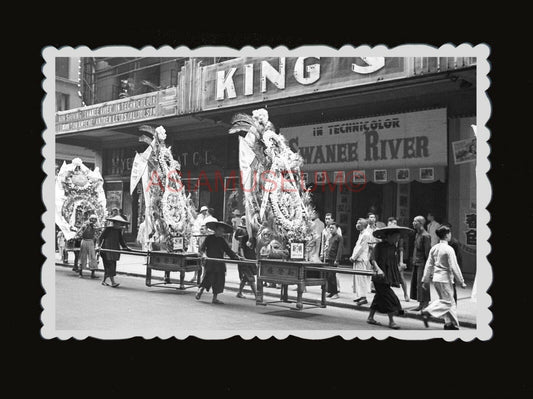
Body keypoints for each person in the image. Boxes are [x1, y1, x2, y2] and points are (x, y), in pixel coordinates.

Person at [421, 225, 467, 330]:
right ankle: (428, 311)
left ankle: (449, 324)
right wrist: (461, 281)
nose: (450, 235)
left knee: (448, 302)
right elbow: (454, 266)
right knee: (448, 302)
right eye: (449, 233)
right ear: (447, 235)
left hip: (437, 279)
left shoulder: (434, 248)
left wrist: (425, 279)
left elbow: (429, 265)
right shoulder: (449, 249)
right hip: (445, 279)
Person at [366, 225, 412, 329]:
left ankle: (370, 317)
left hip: (388, 276)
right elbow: (372, 259)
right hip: (379, 277)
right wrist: (378, 269)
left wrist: (398, 270)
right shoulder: (379, 246)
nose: (397, 239)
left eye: (398, 237)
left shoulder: (393, 247)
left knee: (379, 297)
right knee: (390, 297)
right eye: (395, 237)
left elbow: (392, 262)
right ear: (389, 236)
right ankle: (392, 321)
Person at [195, 221, 242, 304]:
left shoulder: (222, 240)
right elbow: (202, 249)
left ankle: (215, 298)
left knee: (219, 280)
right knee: (208, 277)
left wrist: (236, 257)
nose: (221, 232)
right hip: (210, 261)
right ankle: (200, 290)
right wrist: (204, 255)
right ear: (216, 230)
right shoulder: (209, 238)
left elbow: (228, 251)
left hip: (219, 263)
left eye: (222, 231)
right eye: (220, 230)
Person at [97, 215, 132, 287]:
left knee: (110, 265)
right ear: (114, 223)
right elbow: (100, 238)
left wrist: (126, 247)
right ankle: (113, 282)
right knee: (110, 266)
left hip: (114, 250)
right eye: (118, 224)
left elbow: (121, 240)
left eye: (120, 224)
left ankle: (104, 281)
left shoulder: (118, 231)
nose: (119, 225)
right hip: (106, 250)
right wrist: (99, 246)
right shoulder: (108, 229)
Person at [410, 216, 432, 311]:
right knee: (417, 284)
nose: (413, 223)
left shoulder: (425, 236)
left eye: (416, 221)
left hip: (423, 263)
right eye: (413, 221)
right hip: (416, 262)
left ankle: (425, 304)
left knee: (423, 283)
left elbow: (427, 252)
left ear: (421, 223)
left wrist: (429, 268)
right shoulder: (417, 234)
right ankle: (420, 303)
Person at [349, 218, 372, 305]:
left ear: (364, 225)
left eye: (359, 223)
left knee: (361, 278)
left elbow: (361, 248)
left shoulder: (366, 234)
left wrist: (354, 257)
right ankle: (359, 295)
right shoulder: (361, 234)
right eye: (357, 223)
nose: (357, 225)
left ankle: (363, 297)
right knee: (357, 278)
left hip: (361, 259)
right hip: (357, 259)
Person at [234, 216, 258, 299]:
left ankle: (239, 292)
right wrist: (243, 257)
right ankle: (256, 295)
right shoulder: (244, 238)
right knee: (251, 278)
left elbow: (254, 249)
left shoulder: (254, 240)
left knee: (245, 278)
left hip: (251, 260)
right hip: (245, 260)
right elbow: (241, 248)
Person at [387, 217, 410, 301]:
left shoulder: (399, 236)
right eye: (392, 223)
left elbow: (401, 249)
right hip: (388, 257)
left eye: (395, 223)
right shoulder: (386, 235)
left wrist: (401, 261)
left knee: (401, 277)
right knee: (388, 276)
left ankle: (406, 294)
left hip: (396, 258)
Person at [443, 222, 462, 302]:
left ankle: (453, 306)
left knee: (452, 287)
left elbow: (457, 258)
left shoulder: (454, 242)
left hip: (451, 268)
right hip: (444, 268)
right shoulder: (442, 242)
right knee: (444, 289)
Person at [75, 214, 99, 278]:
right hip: (84, 241)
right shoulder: (85, 224)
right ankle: (80, 273)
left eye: (94, 219)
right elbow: (79, 232)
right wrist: (86, 227)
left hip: (91, 241)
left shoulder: (95, 226)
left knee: (93, 257)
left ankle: (92, 273)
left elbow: (98, 233)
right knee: (82, 256)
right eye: (92, 219)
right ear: (90, 219)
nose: (93, 220)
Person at [325, 222, 343, 300]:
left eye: (333, 228)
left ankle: (335, 293)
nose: (331, 229)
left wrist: (337, 259)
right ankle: (331, 292)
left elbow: (340, 249)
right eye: (330, 228)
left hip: (334, 259)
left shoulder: (339, 237)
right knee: (328, 276)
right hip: (329, 258)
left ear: (337, 229)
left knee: (332, 276)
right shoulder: (330, 237)